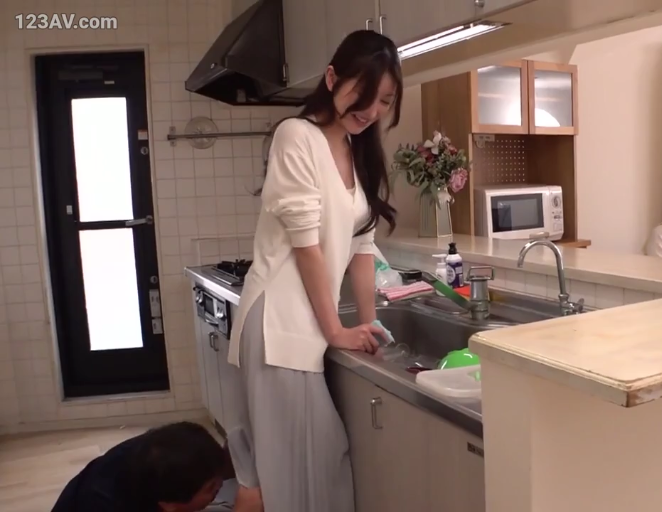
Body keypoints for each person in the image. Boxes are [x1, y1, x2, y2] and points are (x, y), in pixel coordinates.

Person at [224, 29, 402, 512]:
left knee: (291, 476)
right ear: (331, 78)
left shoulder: (356, 150)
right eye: (362, 93)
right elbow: (306, 248)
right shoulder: (296, 136)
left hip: (303, 329)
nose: (371, 110)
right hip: (280, 326)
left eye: (385, 101)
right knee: (299, 475)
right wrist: (336, 330)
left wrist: (369, 323)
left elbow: (362, 247)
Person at [51, 421, 232, 512]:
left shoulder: (164, 451)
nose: (220, 486)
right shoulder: (106, 502)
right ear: (169, 505)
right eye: (210, 488)